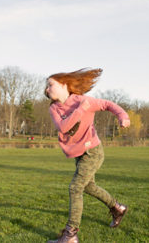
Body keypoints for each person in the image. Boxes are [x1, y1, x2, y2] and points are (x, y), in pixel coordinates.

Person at [44, 68, 129, 243]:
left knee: (75, 187)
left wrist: (122, 116)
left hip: (93, 151)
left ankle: (70, 235)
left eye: (50, 84)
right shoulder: (54, 108)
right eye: (46, 86)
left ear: (63, 84)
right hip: (79, 154)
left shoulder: (83, 100)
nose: (46, 89)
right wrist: (81, 110)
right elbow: (64, 127)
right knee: (88, 187)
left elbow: (107, 104)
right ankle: (117, 208)